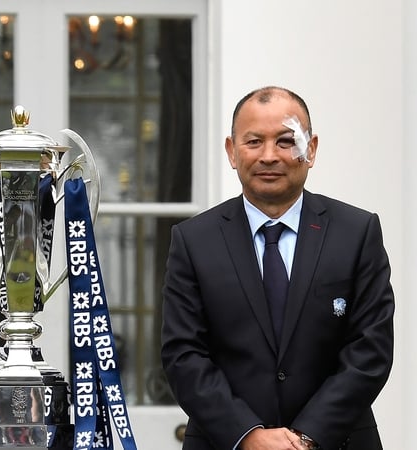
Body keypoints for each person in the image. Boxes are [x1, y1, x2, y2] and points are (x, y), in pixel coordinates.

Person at [160, 86, 394, 450]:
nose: (269, 156)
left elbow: (370, 350)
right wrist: (248, 435)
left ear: (311, 149)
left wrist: (307, 437)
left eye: (286, 141)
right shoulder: (193, 241)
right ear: (231, 151)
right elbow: (183, 355)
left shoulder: (356, 233)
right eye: (253, 141)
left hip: (339, 441)